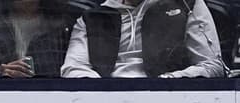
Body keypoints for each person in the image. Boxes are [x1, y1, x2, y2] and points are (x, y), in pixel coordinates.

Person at [60, 0, 226, 78]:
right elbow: (73, 68)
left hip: (170, 102)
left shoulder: (187, 5)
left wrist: (169, 82)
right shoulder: (92, 18)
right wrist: (102, 90)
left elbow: (212, 65)